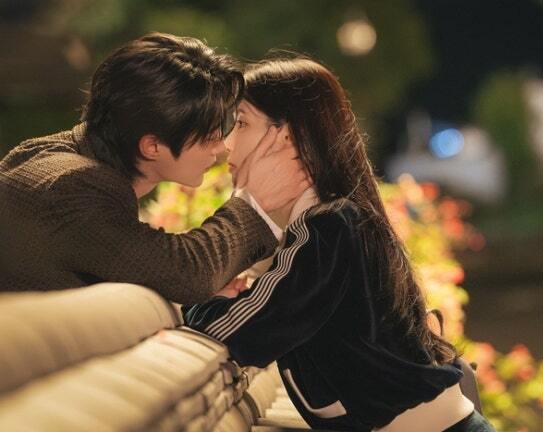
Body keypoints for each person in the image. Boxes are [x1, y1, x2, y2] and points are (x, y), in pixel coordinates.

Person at [182, 57, 496, 431]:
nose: (227, 144)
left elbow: (235, 332)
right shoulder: (335, 220)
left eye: (242, 123)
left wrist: (208, 301)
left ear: (285, 137)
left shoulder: (327, 228)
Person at [0, 33, 309, 304]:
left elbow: (148, 264)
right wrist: (254, 201)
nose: (222, 147)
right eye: (209, 137)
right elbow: (188, 273)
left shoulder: (42, 152)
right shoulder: (75, 187)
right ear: (152, 147)